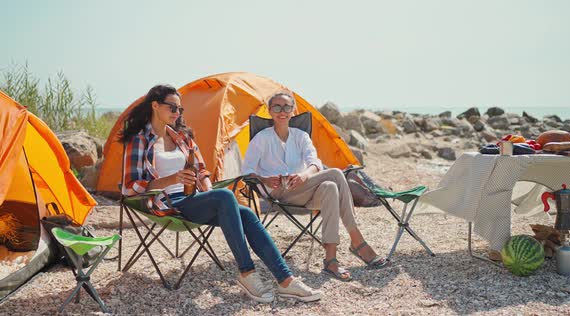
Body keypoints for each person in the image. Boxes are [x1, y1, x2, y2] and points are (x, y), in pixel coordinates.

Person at [120, 84, 322, 303]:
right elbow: (129, 187)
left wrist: (206, 187)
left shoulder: (182, 138)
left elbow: (202, 170)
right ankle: (246, 273)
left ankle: (286, 281)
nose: (177, 114)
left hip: (193, 199)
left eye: (180, 110)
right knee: (226, 197)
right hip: (167, 204)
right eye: (172, 108)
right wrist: (171, 179)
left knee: (245, 213)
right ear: (155, 106)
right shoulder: (140, 140)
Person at [242, 91, 388, 281]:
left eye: (287, 107)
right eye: (277, 107)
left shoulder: (301, 136)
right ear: (270, 111)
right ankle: (357, 241)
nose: (282, 111)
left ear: (293, 111)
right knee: (335, 173)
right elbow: (246, 172)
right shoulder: (261, 138)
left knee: (330, 187)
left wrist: (304, 175)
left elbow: (315, 163)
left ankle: (331, 260)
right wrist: (264, 180)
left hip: (304, 189)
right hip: (277, 193)